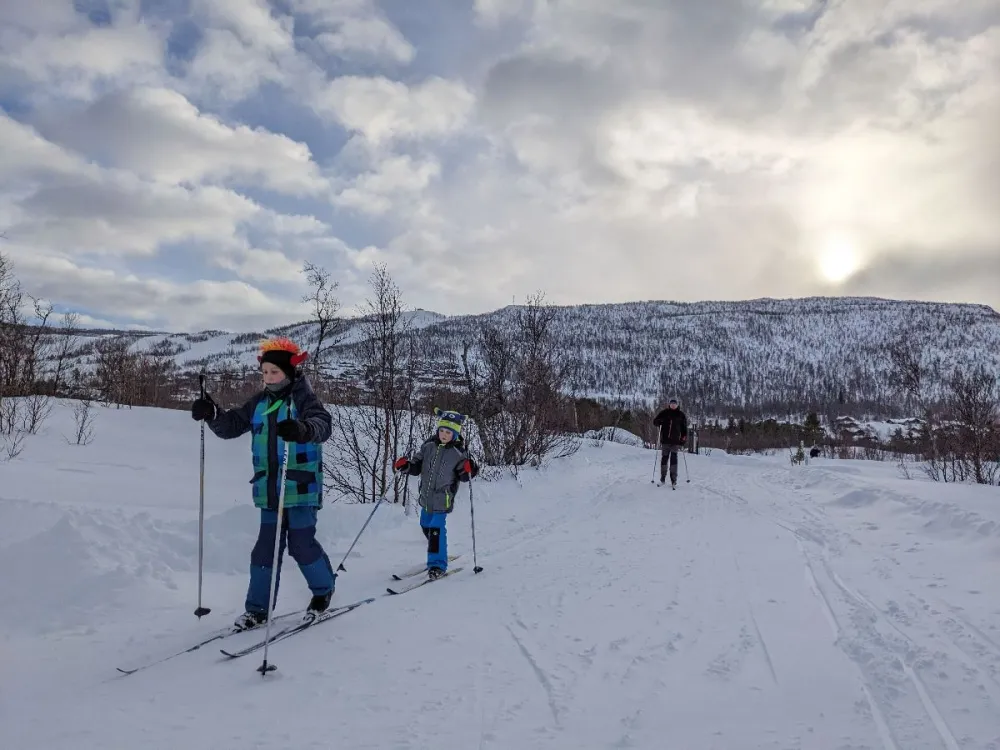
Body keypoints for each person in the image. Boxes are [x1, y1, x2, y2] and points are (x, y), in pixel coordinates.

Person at [190, 337, 335, 630]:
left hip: (300, 489)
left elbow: (323, 424)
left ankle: (323, 591)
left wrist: (303, 429)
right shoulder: (260, 402)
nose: (268, 378)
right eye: (265, 372)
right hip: (269, 490)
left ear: (290, 373)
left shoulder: (304, 399)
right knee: (264, 550)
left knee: (301, 546)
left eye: (275, 373)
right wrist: (213, 414)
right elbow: (232, 426)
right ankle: (257, 609)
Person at [393, 408, 479, 579]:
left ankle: (437, 565)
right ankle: (439, 549)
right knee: (425, 524)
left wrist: (471, 469)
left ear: (455, 433)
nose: (444, 434)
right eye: (441, 430)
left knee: (436, 531)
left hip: (442, 499)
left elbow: (464, 476)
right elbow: (416, 466)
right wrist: (406, 466)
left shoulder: (459, 454)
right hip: (426, 498)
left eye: (448, 432)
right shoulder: (428, 447)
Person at [652, 397, 688, 486]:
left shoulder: (681, 415)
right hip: (665, 441)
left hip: (675, 442)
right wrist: (659, 421)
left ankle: (673, 479)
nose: (673, 405)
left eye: (674, 404)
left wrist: (683, 438)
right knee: (664, 459)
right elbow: (655, 422)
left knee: (673, 460)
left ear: (677, 405)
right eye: (671, 404)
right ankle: (663, 478)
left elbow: (684, 428)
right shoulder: (664, 413)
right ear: (669, 404)